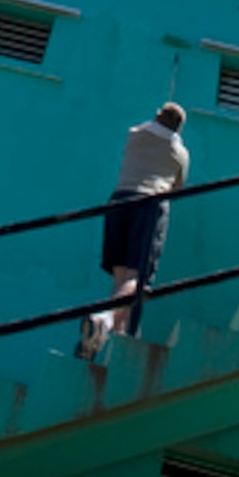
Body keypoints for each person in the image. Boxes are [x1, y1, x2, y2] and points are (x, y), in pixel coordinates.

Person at [78, 103, 189, 359]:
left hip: (119, 200)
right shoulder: (179, 152)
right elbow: (178, 187)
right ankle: (104, 320)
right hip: (149, 205)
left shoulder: (135, 135)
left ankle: (114, 341)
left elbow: (145, 126)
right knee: (136, 277)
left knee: (120, 278)